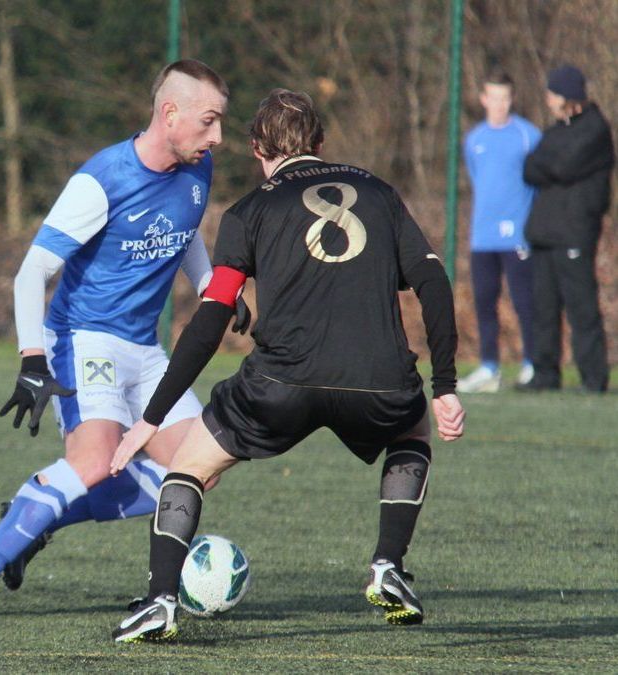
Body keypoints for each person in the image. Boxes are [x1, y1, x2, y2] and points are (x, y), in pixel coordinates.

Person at [109, 89, 465, 644]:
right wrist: (444, 385)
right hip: (377, 380)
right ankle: (388, 565)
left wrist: (150, 419)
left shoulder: (249, 211)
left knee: (187, 471)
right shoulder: (379, 193)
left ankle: (159, 600)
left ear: (257, 149)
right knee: (413, 431)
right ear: (321, 144)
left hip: (279, 383)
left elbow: (211, 320)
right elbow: (434, 283)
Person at [0, 59, 249, 617]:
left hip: (146, 351)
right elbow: (31, 272)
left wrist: (212, 286)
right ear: (169, 113)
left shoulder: (198, 166)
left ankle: (33, 517)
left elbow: (187, 234)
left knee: (197, 467)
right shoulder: (102, 179)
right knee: (93, 462)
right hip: (85, 341)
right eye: (209, 121)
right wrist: (32, 359)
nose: (218, 136)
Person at [521, 64, 614, 393]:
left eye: (552, 93)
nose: (548, 100)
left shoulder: (595, 130)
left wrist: (550, 165)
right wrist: (549, 165)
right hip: (544, 232)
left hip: (575, 232)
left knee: (581, 306)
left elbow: (562, 165)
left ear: (568, 96)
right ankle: (545, 373)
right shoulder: (555, 131)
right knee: (543, 307)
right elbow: (531, 168)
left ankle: (593, 377)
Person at [459, 68, 540, 393]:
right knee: (484, 301)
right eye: (493, 98)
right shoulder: (474, 139)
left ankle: (532, 364)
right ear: (483, 99)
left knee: (524, 301)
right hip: (482, 237)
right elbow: (479, 179)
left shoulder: (528, 136)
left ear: (512, 99)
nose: (499, 104)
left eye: (504, 98)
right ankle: (489, 367)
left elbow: (536, 184)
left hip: (517, 236)